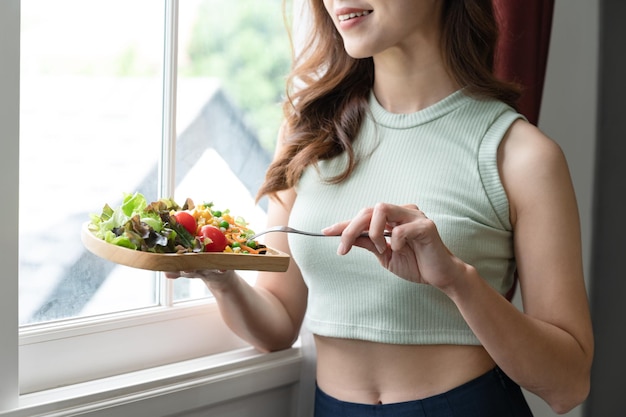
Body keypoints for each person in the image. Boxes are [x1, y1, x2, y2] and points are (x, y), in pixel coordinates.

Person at [166, 0, 594, 415]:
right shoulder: (308, 134)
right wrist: (219, 277)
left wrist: (457, 280)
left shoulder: (522, 157)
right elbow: (278, 323)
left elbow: (568, 386)